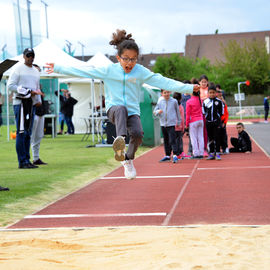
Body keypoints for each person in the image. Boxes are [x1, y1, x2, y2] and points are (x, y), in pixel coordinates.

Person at [45, 29, 200, 179]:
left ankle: (127, 159)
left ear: (137, 59)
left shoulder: (140, 71)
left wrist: (188, 88)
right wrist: (58, 67)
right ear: (118, 58)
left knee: (138, 135)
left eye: (133, 59)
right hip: (114, 110)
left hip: (133, 112)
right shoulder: (109, 70)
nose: (129, 63)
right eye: (126, 58)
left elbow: (163, 81)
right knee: (120, 109)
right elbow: (85, 70)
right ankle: (120, 141)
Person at [7, 48, 42, 169]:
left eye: (32, 55)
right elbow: (11, 85)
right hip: (20, 103)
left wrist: (38, 100)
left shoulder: (36, 71)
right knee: (21, 132)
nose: (30, 58)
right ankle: (22, 161)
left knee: (28, 132)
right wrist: (27, 91)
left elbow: (37, 87)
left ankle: (27, 159)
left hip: (31, 104)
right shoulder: (17, 69)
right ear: (23, 56)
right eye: (28, 56)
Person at [154, 89, 181, 163]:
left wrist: (179, 121)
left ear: (170, 92)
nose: (166, 94)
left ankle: (175, 155)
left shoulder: (174, 101)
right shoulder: (160, 101)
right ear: (162, 93)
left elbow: (177, 112)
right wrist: (157, 112)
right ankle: (167, 155)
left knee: (172, 140)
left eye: (168, 92)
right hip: (163, 123)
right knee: (165, 140)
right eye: (164, 93)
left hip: (171, 123)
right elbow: (155, 111)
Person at [31, 64, 47, 165]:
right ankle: (26, 158)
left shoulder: (38, 85)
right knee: (31, 136)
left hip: (41, 113)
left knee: (39, 136)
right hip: (33, 112)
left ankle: (36, 158)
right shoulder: (30, 84)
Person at [202, 83, 224, 160]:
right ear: (208, 93)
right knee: (210, 138)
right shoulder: (205, 102)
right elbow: (204, 112)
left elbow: (221, 112)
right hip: (208, 122)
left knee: (217, 137)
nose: (212, 94)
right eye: (210, 92)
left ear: (216, 93)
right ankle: (211, 153)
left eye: (213, 92)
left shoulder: (219, 102)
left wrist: (218, 120)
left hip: (216, 122)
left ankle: (217, 153)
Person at [185, 86, 204, 159]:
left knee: (194, 138)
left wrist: (186, 124)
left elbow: (187, 114)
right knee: (200, 137)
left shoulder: (189, 101)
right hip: (200, 120)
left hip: (193, 121)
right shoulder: (200, 100)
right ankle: (201, 152)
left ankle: (196, 153)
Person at [173, 92, 186, 159]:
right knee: (179, 140)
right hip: (179, 126)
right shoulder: (181, 107)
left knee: (173, 140)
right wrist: (183, 127)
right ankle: (180, 152)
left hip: (172, 126)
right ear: (180, 99)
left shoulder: (172, 107)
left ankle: (175, 153)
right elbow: (182, 118)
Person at [199, 74, 209, 157]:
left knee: (206, 130)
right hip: (199, 112)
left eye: (205, 82)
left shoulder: (209, 90)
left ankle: (206, 147)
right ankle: (199, 148)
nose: (203, 83)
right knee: (200, 131)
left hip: (207, 112)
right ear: (199, 82)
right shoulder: (197, 90)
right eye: (202, 82)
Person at [216, 88, 229, 154]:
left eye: (221, 96)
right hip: (216, 122)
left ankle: (225, 148)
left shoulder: (224, 104)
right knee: (217, 136)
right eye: (219, 96)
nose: (220, 97)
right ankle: (218, 148)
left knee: (223, 135)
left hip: (222, 122)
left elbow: (226, 114)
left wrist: (224, 122)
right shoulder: (215, 104)